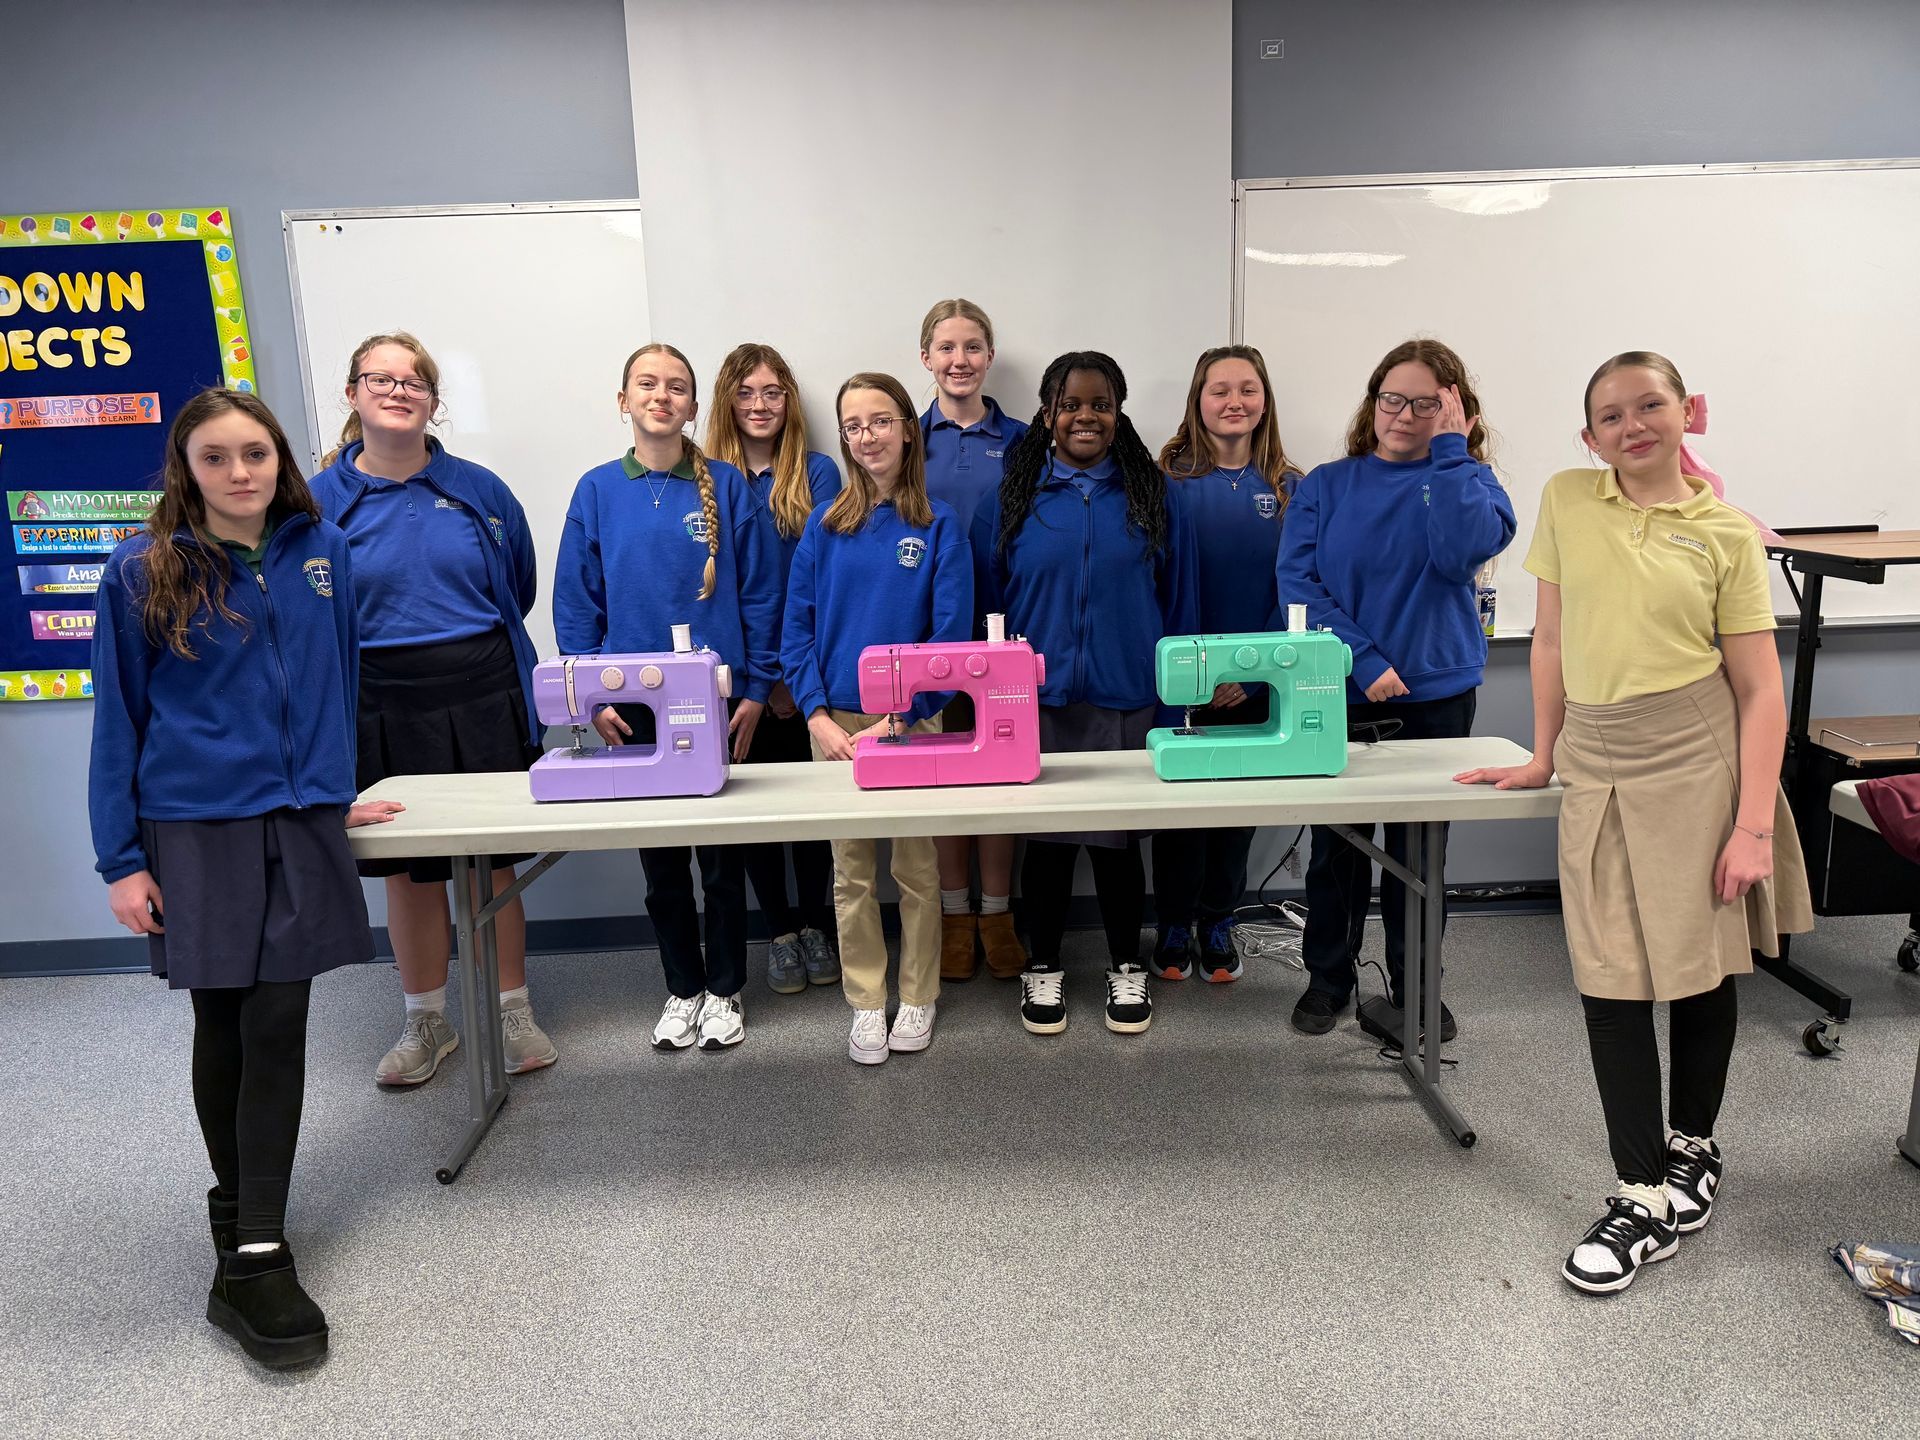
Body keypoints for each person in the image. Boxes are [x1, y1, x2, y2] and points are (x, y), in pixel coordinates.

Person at [1456, 350, 1812, 1294]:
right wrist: (1543, 754)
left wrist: (1749, 828)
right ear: (1588, 437)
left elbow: (1760, 690)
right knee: (1611, 975)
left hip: (1698, 755)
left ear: (1688, 411)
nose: (1631, 426)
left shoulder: (1726, 534)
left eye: (1649, 405)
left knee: (1698, 965)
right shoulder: (1570, 498)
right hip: (1600, 757)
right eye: (1609, 416)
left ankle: (1692, 1147)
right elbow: (1555, 639)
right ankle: (1640, 1191)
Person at [89, 388, 403, 1369]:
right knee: (223, 1019)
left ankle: (256, 1252)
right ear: (188, 468)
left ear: (280, 461)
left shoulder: (322, 554)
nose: (240, 473)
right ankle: (240, 1225)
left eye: (255, 454)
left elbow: (336, 677)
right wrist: (123, 859)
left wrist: (332, 785)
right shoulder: (142, 570)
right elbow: (121, 723)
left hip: (302, 818)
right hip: (196, 825)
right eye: (217, 457)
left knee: (278, 1018)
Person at [310, 332, 552, 1086]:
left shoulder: (480, 489)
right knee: (409, 873)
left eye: (413, 380)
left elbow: (518, 587)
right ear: (351, 395)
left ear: (433, 402)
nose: (397, 389)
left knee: (491, 863)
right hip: (381, 700)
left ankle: (512, 1009)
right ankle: (426, 1019)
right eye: (378, 378)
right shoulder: (316, 504)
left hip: (483, 688)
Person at [1275, 338, 1515, 1039]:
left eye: (1426, 403)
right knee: (1338, 852)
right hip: (1343, 689)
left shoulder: (1473, 483)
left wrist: (1451, 453)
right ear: (1372, 401)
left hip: (1439, 693)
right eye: (1392, 398)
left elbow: (1458, 552)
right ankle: (1328, 980)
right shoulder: (1325, 485)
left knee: (1419, 854)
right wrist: (1362, 659)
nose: (1404, 414)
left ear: (1456, 410)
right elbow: (1298, 584)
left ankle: (1415, 989)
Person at [555, 342, 780, 1051]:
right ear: (623, 400)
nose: (662, 396)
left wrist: (756, 689)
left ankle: (725, 992)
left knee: (721, 864)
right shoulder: (596, 490)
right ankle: (682, 989)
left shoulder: (726, 486)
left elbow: (764, 594)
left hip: (714, 701)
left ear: (691, 404)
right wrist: (593, 697)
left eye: (676, 386)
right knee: (661, 866)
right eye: (646, 385)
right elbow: (574, 605)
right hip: (634, 707)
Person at [974, 350, 1198, 1036]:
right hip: (1034, 705)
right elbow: (985, 608)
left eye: (1100, 404)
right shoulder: (1010, 498)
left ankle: (1126, 965)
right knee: (1044, 847)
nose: (1085, 417)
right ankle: (1042, 966)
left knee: (1116, 845)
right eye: (1070, 405)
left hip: (1125, 697)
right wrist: (992, 697)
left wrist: (1175, 699)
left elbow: (1181, 604)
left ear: (1118, 412)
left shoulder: (1154, 497)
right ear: (1047, 414)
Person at [783, 371, 972, 1063]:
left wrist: (906, 716)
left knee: (918, 870)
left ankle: (918, 994)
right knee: (851, 872)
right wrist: (816, 717)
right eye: (855, 425)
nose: (868, 436)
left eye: (881, 421)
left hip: (911, 725)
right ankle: (867, 1001)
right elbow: (795, 632)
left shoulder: (938, 524)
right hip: (835, 725)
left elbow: (949, 640)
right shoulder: (825, 525)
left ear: (908, 429)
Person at [1152, 344, 1300, 982]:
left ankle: (1219, 921)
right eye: (1220, 390)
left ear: (1264, 398)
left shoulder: (1292, 487)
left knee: (1237, 813)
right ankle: (1174, 923)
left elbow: (1299, 586)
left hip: (1260, 679)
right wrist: (1199, 674)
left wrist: (1252, 672)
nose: (1234, 402)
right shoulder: (1167, 482)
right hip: (1183, 677)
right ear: (1198, 399)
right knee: (1182, 814)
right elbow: (1154, 584)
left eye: (1248, 389)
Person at [704, 342, 844, 994]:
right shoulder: (703, 481)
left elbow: (827, 583)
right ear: (727, 402)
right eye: (747, 392)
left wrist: (794, 679)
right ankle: (781, 929)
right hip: (740, 684)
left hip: (807, 675)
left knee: (812, 811)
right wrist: (759, 682)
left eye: (773, 392)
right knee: (757, 812)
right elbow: (723, 594)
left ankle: (818, 923)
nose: (760, 405)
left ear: (790, 401)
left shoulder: (817, 475)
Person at [918, 299, 1030, 982]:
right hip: (931, 636)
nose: (959, 360)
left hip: (1004, 634)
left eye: (972, 347)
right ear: (925, 357)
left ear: (989, 357)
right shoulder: (904, 436)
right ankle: (953, 916)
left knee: (1000, 780)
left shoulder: (1020, 441)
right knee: (944, 779)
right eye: (946, 347)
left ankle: (997, 914)